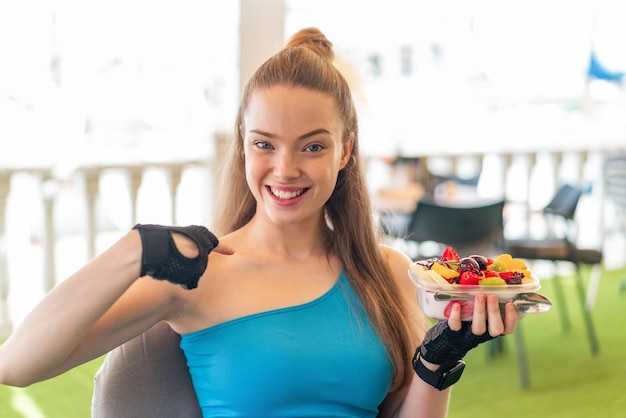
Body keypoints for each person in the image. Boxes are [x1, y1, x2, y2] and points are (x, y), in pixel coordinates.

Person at [0, 27, 517, 417]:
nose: (284, 168)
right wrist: (134, 252)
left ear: (345, 152)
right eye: (264, 144)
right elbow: (16, 365)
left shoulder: (388, 272)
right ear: (243, 145)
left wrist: (439, 361)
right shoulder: (199, 275)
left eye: (312, 146)